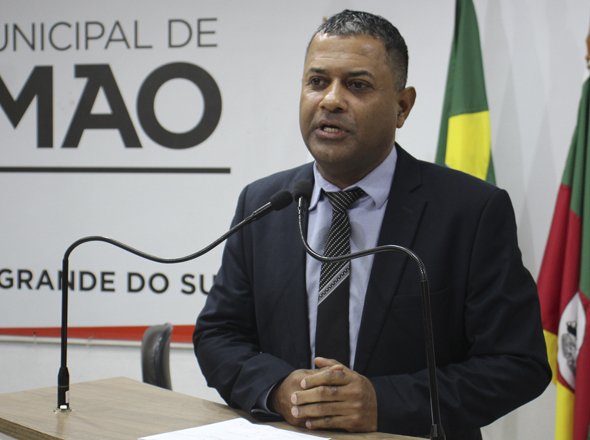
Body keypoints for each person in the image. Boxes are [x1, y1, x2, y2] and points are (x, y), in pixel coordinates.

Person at [193, 9, 551, 440]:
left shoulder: (470, 211)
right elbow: (218, 334)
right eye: (317, 81)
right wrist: (278, 388)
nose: (330, 100)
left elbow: (518, 363)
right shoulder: (264, 203)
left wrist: (384, 403)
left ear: (402, 106)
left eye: (357, 85)